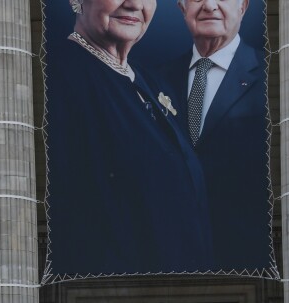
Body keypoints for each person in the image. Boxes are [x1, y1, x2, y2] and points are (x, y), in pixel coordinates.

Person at [45, 0, 214, 278]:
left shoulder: (154, 83)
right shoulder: (59, 79)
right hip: (121, 300)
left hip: (189, 294)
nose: (135, 4)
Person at [160, 0, 270, 271]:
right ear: (182, 8)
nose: (209, 6)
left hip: (250, 251)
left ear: (243, 6)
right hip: (168, 252)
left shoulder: (271, 74)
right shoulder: (157, 80)